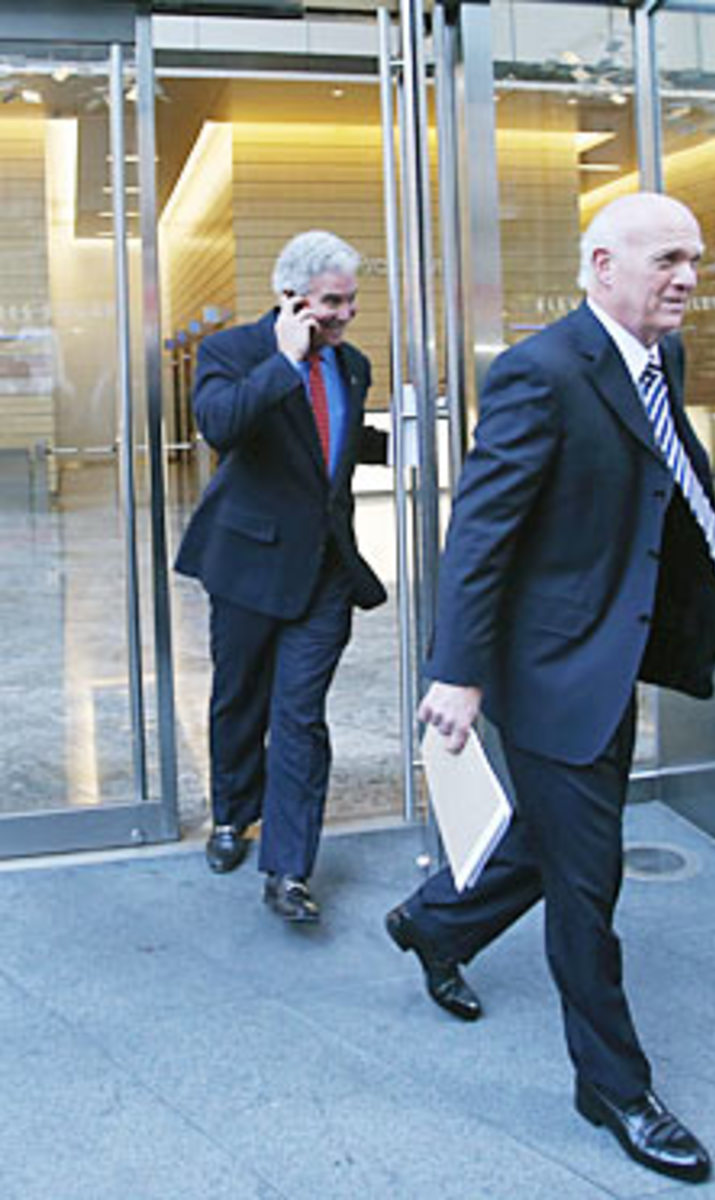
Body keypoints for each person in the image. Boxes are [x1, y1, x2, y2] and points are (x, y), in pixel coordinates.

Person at [385, 193, 715, 1185]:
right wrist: (455, 673)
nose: (686, 277)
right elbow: (480, 535)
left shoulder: (657, 359)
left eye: (696, 260)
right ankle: (614, 1087)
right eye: (667, 257)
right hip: (547, 672)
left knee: (554, 841)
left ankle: (433, 922)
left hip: (608, 651)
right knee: (588, 883)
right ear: (601, 263)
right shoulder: (538, 373)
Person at [175, 230, 388, 923]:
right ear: (291, 299)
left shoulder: (352, 364)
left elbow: (338, 440)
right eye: (333, 302)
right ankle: (233, 815)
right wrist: (284, 364)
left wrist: (411, 440)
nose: (346, 314)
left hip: (325, 569)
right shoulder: (232, 352)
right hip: (248, 562)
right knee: (240, 697)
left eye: (351, 300)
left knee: (300, 716)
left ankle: (290, 870)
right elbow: (218, 426)